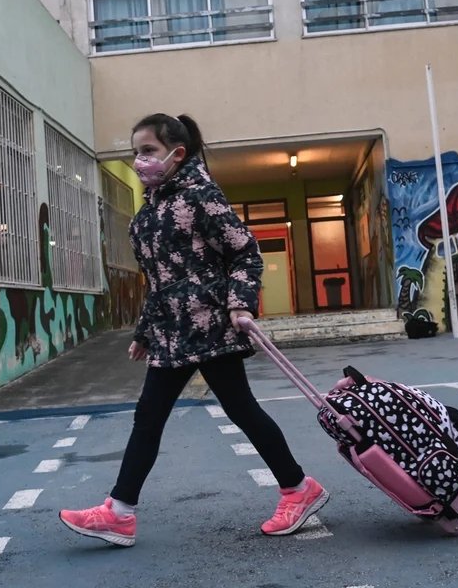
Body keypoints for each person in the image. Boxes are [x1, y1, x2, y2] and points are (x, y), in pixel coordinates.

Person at [59, 113, 328, 548]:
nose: (139, 160)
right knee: (150, 416)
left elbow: (245, 252)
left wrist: (240, 302)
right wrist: (144, 332)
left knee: (240, 410)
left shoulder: (201, 196)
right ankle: (120, 513)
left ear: (177, 153)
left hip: (211, 327)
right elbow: (159, 281)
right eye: (136, 152)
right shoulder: (147, 213)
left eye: (148, 150)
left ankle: (298, 490)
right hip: (171, 334)